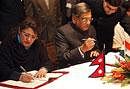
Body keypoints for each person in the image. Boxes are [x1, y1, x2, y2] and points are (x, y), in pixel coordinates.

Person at [0, 17, 54, 83]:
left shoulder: (38, 43)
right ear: (19, 31)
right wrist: (19, 76)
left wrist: (44, 69)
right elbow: (2, 69)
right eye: (26, 35)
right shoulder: (8, 43)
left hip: (33, 82)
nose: (29, 40)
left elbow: (47, 62)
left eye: (33, 37)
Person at [55, 2, 99, 68]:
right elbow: (62, 57)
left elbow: (96, 47)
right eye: (84, 19)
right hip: (71, 68)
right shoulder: (63, 32)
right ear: (74, 19)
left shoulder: (91, 28)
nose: (88, 23)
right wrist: (81, 49)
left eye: (90, 19)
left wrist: (96, 52)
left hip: (88, 65)